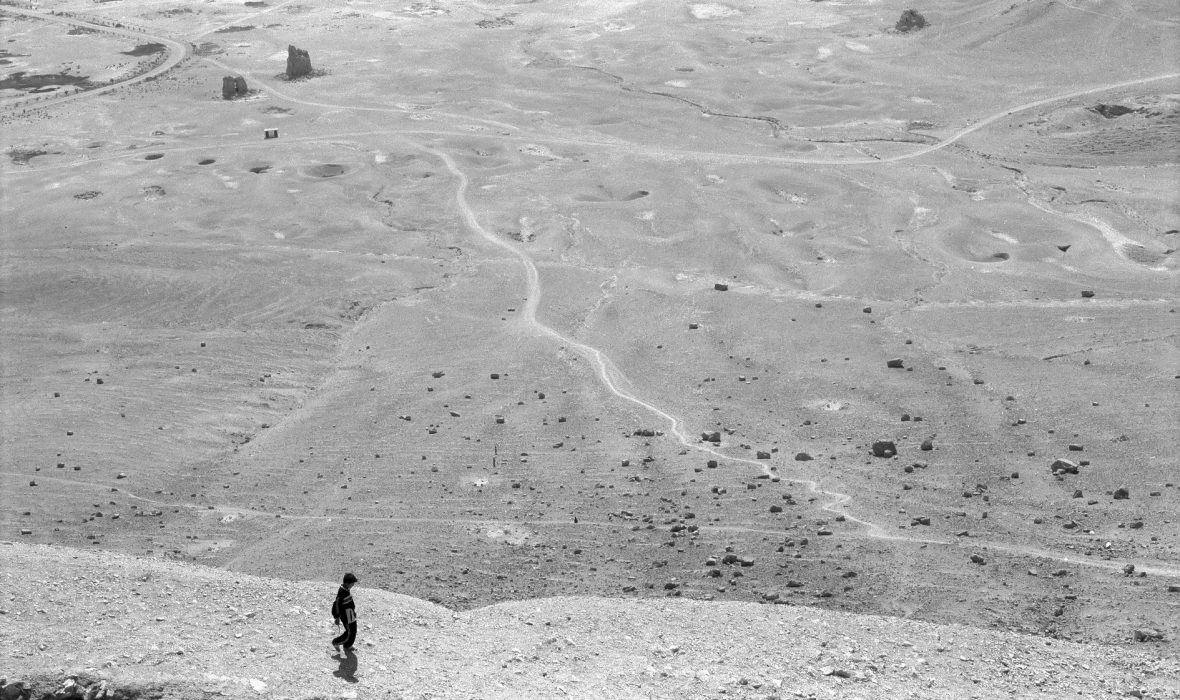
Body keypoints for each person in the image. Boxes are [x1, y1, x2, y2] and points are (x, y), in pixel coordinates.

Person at [331, 572, 358, 653]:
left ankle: (347, 645)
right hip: (346, 616)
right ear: (347, 583)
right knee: (349, 632)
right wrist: (337, 617)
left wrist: (353, 612)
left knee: (354, 630)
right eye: (352, 583)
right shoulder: (341, 593)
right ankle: (336, 642)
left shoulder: (346, 590)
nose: (353, 585)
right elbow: (336, 605)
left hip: (350, 614)